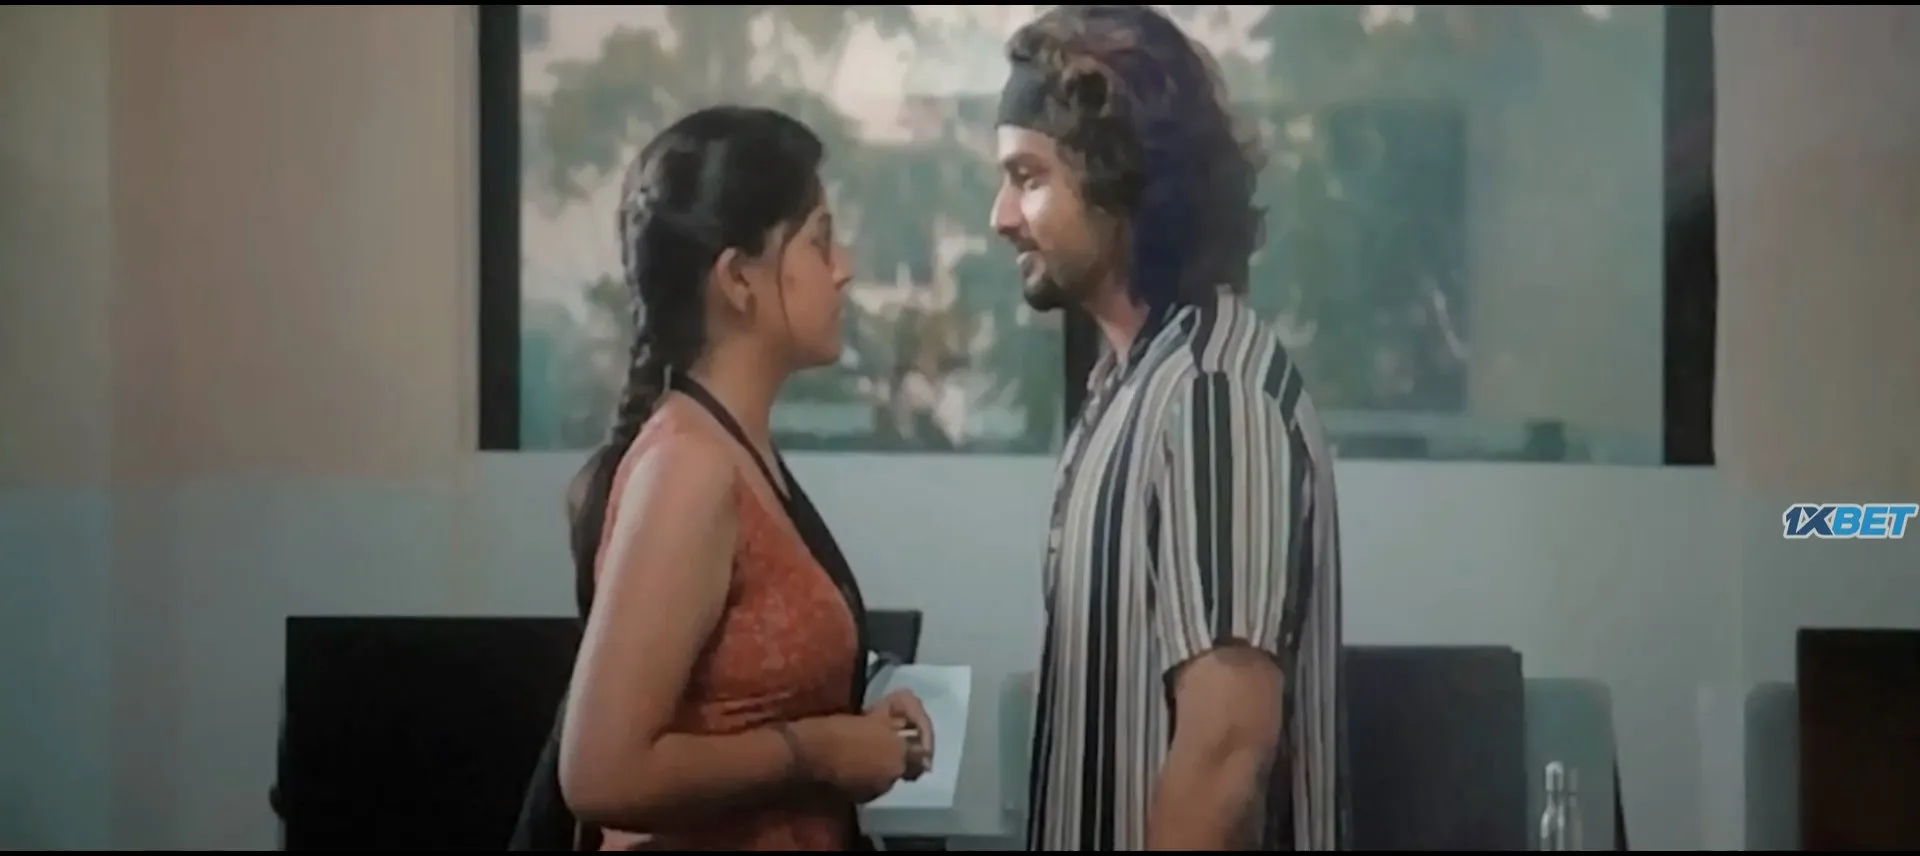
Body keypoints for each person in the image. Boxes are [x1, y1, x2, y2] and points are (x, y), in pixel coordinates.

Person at [989, 6, 1346, 851]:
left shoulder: (1213, 394)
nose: (1001, 215)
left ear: (1122, 182)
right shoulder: (1133, 385)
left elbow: (1224, 756)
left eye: (1029, 177)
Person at [554, 106, 934, 851]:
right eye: (819, 241)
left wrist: (860, 734)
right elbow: (599, 772)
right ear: (738, 279)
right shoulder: (688, 470)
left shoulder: (735, 454)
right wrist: (818, 750)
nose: (844, 268)